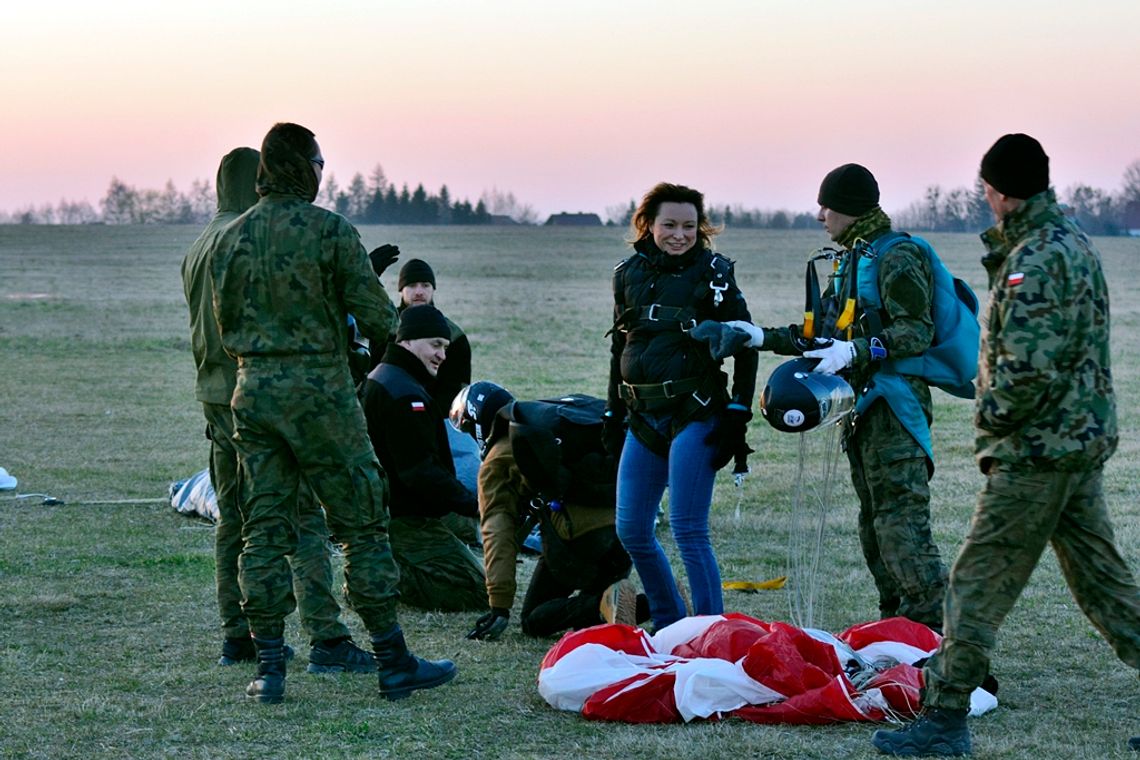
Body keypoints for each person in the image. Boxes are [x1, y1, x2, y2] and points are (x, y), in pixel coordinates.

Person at [872, 134, 1140, 756]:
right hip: (1073, 446)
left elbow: (1026, 369)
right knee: (1106, 586)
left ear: (1000, 191)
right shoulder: (1071, 243)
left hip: (1036, 453)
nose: (984, 197)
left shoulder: (1038, 259)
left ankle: (942, 720)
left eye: (986, 187)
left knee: (973, 585)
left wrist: (991, 420)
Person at [210, 122, 456, 704]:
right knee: (362, 524)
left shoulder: (229, 238)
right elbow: (377, 317)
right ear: (307, 167)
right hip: (321, 396)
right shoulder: (330, 231)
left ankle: (269, 667)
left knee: (264, 529)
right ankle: (392, 659)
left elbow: (225, 328)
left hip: (253, 393)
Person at [181, 147, 374, 675]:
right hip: (261, 393)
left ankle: (238, 634)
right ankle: (328, 637)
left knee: (235, 520)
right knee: (303, 517)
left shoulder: (202, 242)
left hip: (215, 396)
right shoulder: (244, 236)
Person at [732, 163, 949, 630]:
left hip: (895, 410)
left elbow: (917, 331)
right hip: (861, 411)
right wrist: (757, 336)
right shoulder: (854, 259)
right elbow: (822, 336)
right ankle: (896, 628)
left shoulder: (896, 255)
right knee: (873, 527)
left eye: (825, 206)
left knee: (902, 528)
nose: (819, 216)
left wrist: (859, 349)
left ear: (847, 208)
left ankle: (939, 638)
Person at [605, 182, 758, 631]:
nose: (679, 234)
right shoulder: (627, 274)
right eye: (669, 224)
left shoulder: (715, 274)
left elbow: (746, 344)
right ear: (647, 225)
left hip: (696, 412)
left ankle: (711, 633)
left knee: (689, 529)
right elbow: (620, 344)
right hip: (642, 418)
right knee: (632, 530)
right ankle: (671, 623)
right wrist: (614, 409)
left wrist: (738, 413)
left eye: (689, 226)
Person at [451, 382, 647, 640]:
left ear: (477, 423)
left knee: (534, 621)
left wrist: (499, 605)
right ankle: (656, 601)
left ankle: (602, 602)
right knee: (589, 623)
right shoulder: (553, 416)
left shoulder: (496, 461)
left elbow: (497, 533)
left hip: (579, 542)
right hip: (628, 533)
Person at [359, 305, 486, 612]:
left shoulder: (387, 377)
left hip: (389, 510)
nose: (442, 355)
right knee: (476, 593)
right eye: (435, 345)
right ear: (407, 341)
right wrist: (472, 504)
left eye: (444, 346)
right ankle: (378, 581)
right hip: (404, 518)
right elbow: (419, 472)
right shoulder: (405, 394)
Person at [393, 258, 472, 413]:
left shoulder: (453, 336)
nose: (419, 292)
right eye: (411, 285)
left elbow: (456, 389)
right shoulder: (383, 328)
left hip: (435, 415)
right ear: (401, 289)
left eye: (425, 285)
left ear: (433, 289)